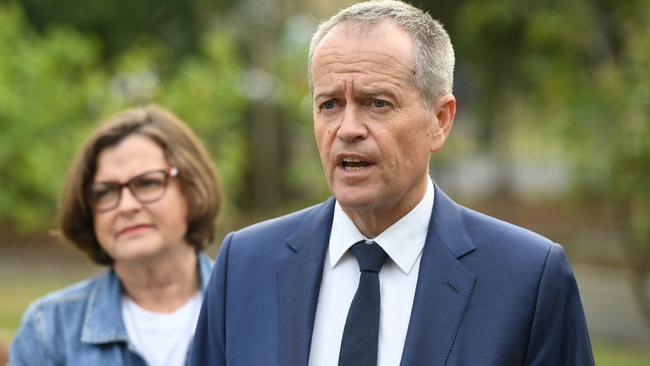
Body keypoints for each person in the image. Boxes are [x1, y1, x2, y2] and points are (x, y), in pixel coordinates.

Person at [191, 1, 594, 365]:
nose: (347, 129)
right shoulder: (244, 265)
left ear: (440, 120)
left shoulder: (528, 279)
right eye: (329, 104)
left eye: (376, 103)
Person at [9, 105, 221, 366]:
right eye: (106, 192)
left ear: (191, 188)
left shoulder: (250, 310)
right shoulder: (49, 330)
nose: (126, 206)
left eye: (147, 183)